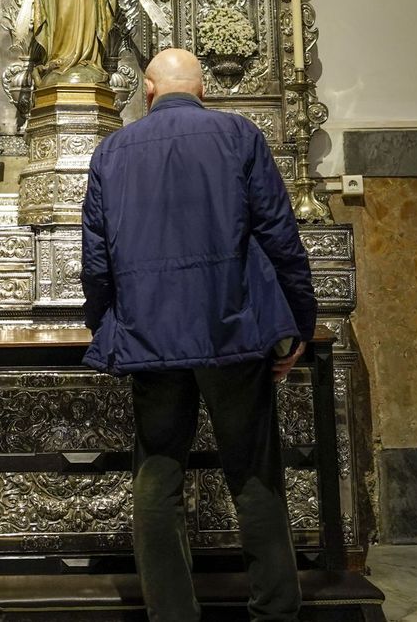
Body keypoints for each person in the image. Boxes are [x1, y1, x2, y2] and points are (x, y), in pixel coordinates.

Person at [81, 48, 317, 622]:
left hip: (150, 335)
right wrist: (298, 325)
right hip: (232, 328)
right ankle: (277, 610)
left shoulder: (111, 151)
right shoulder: (238, 136)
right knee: (254, 470)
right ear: (204, 89)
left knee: (157, 475)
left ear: (148, 90)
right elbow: (280, 236)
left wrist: (109, 325)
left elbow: (95, 260)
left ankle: (173, 614)